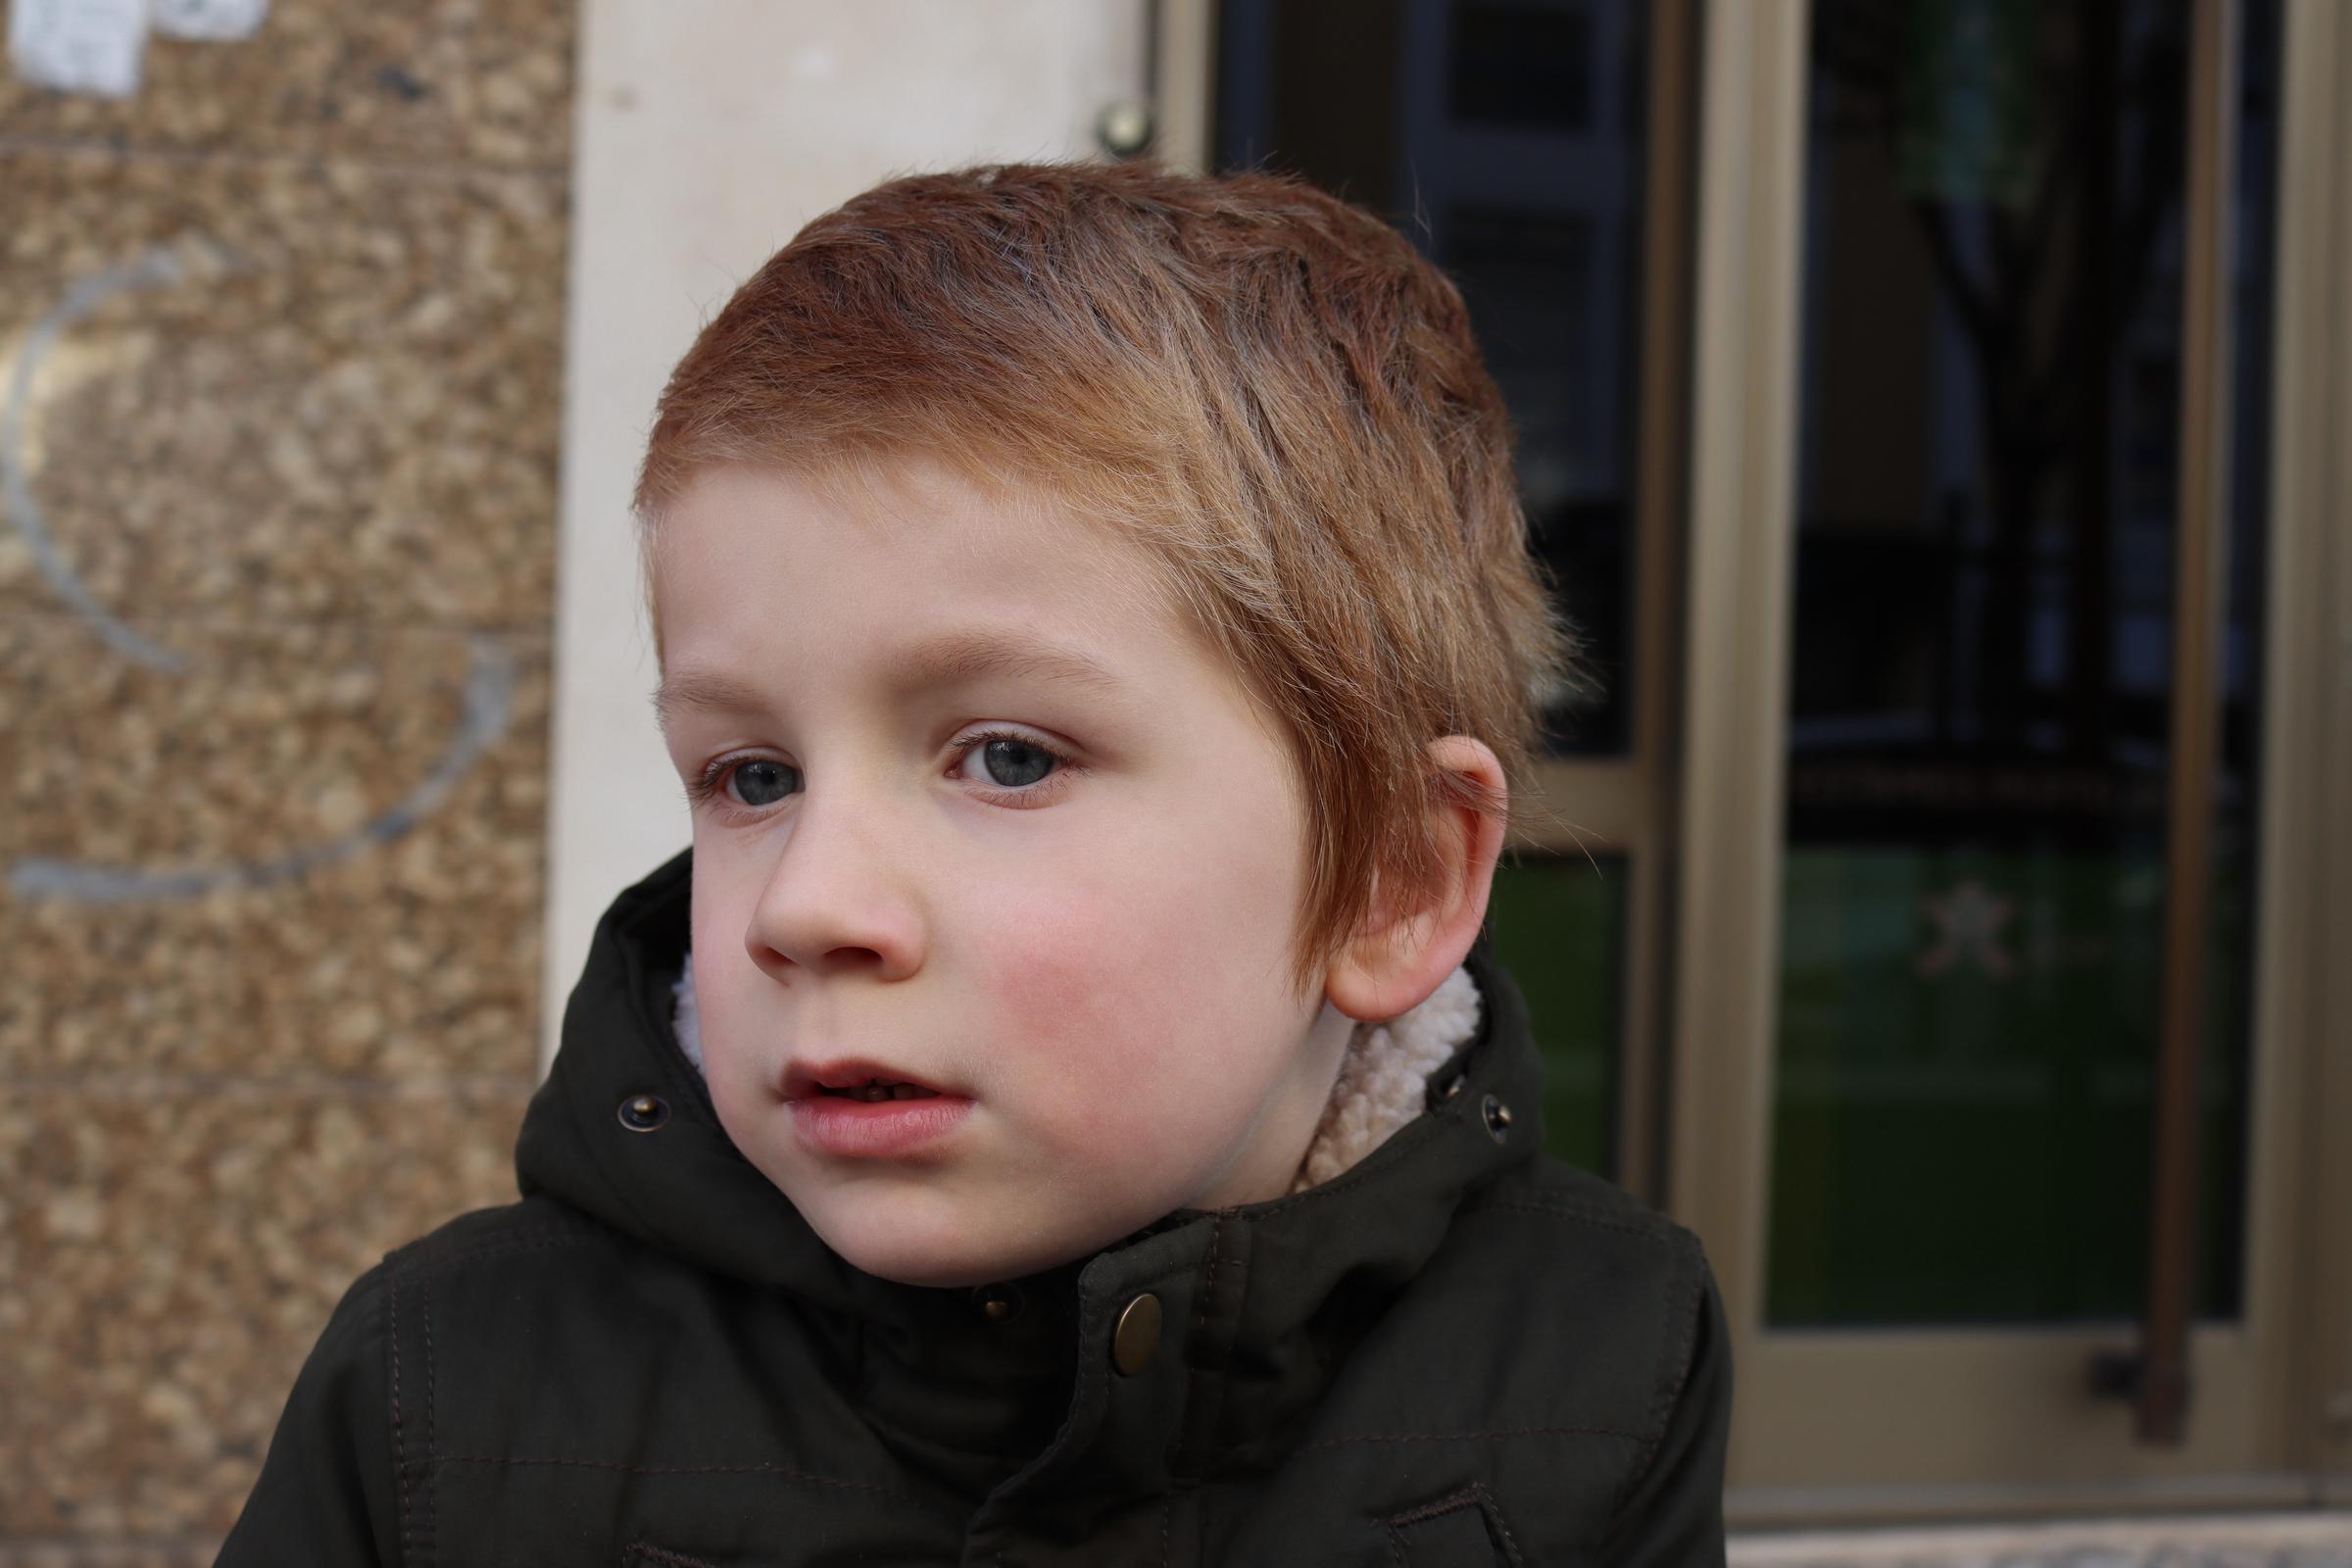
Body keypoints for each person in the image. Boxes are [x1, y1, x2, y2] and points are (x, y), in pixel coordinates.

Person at [217, 159, 1732, 1565]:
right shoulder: (440, 1392)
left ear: (1389, 883)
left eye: (1009, 758)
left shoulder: (1602, 1357)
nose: (807, 907)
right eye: (752, 777)